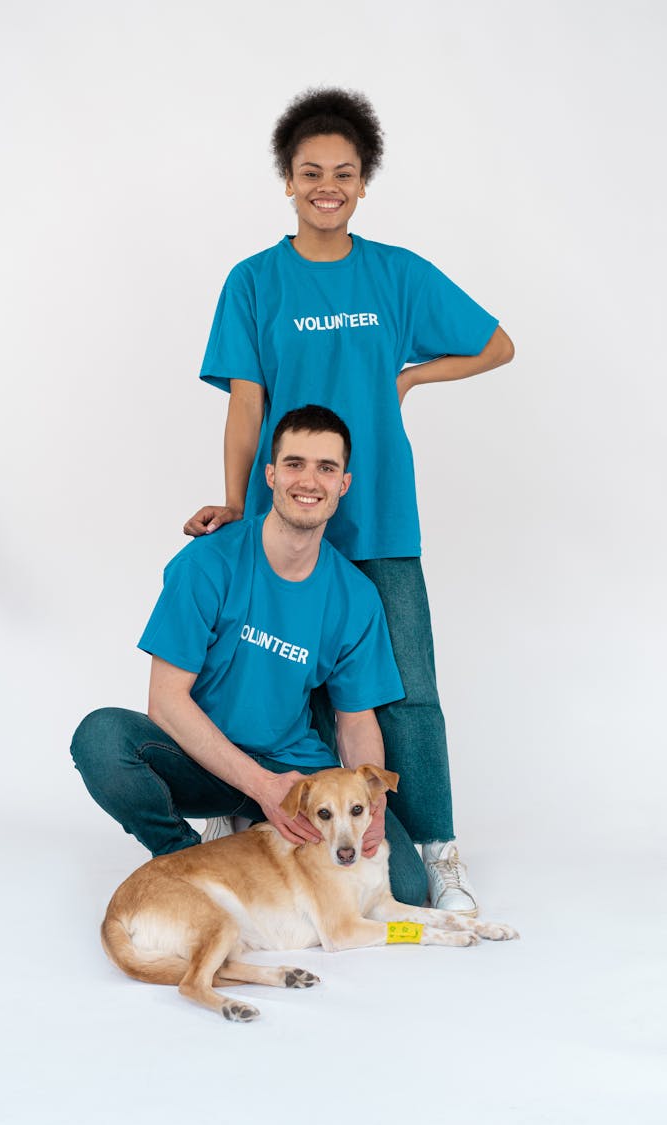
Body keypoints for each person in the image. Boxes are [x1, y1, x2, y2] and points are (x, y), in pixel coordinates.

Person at [184, 88, 515, 914]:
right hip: (285, 519)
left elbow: (496, 344)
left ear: (363, 183)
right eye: (309, 172)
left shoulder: (395, 274)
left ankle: (436, 853)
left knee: (407, 692)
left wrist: (408, 375)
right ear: (287, 182)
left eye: (344, 172)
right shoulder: (255, 282)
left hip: (377, 517)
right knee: (273, 676)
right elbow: (246, 407)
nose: (326, 185)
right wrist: (236, 506)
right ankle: (254, 818)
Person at [71, 405, 429, 906]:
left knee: (410, 890)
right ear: (271, 474)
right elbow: (166, 702)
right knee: (101, 736)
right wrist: (262, 787)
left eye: (326, 468)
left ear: (343, 484)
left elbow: (356, 722)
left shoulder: (355, 595)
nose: (310, 480)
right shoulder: (206, 564)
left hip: (297, 775)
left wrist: (371, 802)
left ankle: (251, 832)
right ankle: (185, 860)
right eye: (294, 464)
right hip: (206, 761)